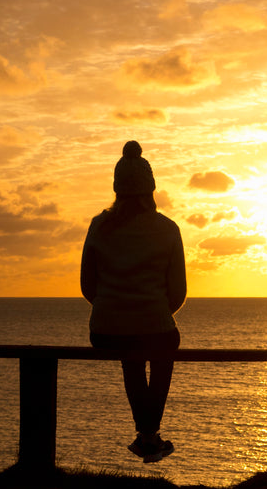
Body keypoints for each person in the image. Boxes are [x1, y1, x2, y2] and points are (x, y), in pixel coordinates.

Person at [80, 140, 187, 463]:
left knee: (132, 355)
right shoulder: (168, 229)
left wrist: (116, 308)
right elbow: (178, 292)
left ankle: (148, 437)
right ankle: (148, 435)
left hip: (105, 331)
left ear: (118, 190)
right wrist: (149, 311)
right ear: (150, 190)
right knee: (162, 346)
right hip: (154, 328)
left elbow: (88, 286)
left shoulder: (99, 225)